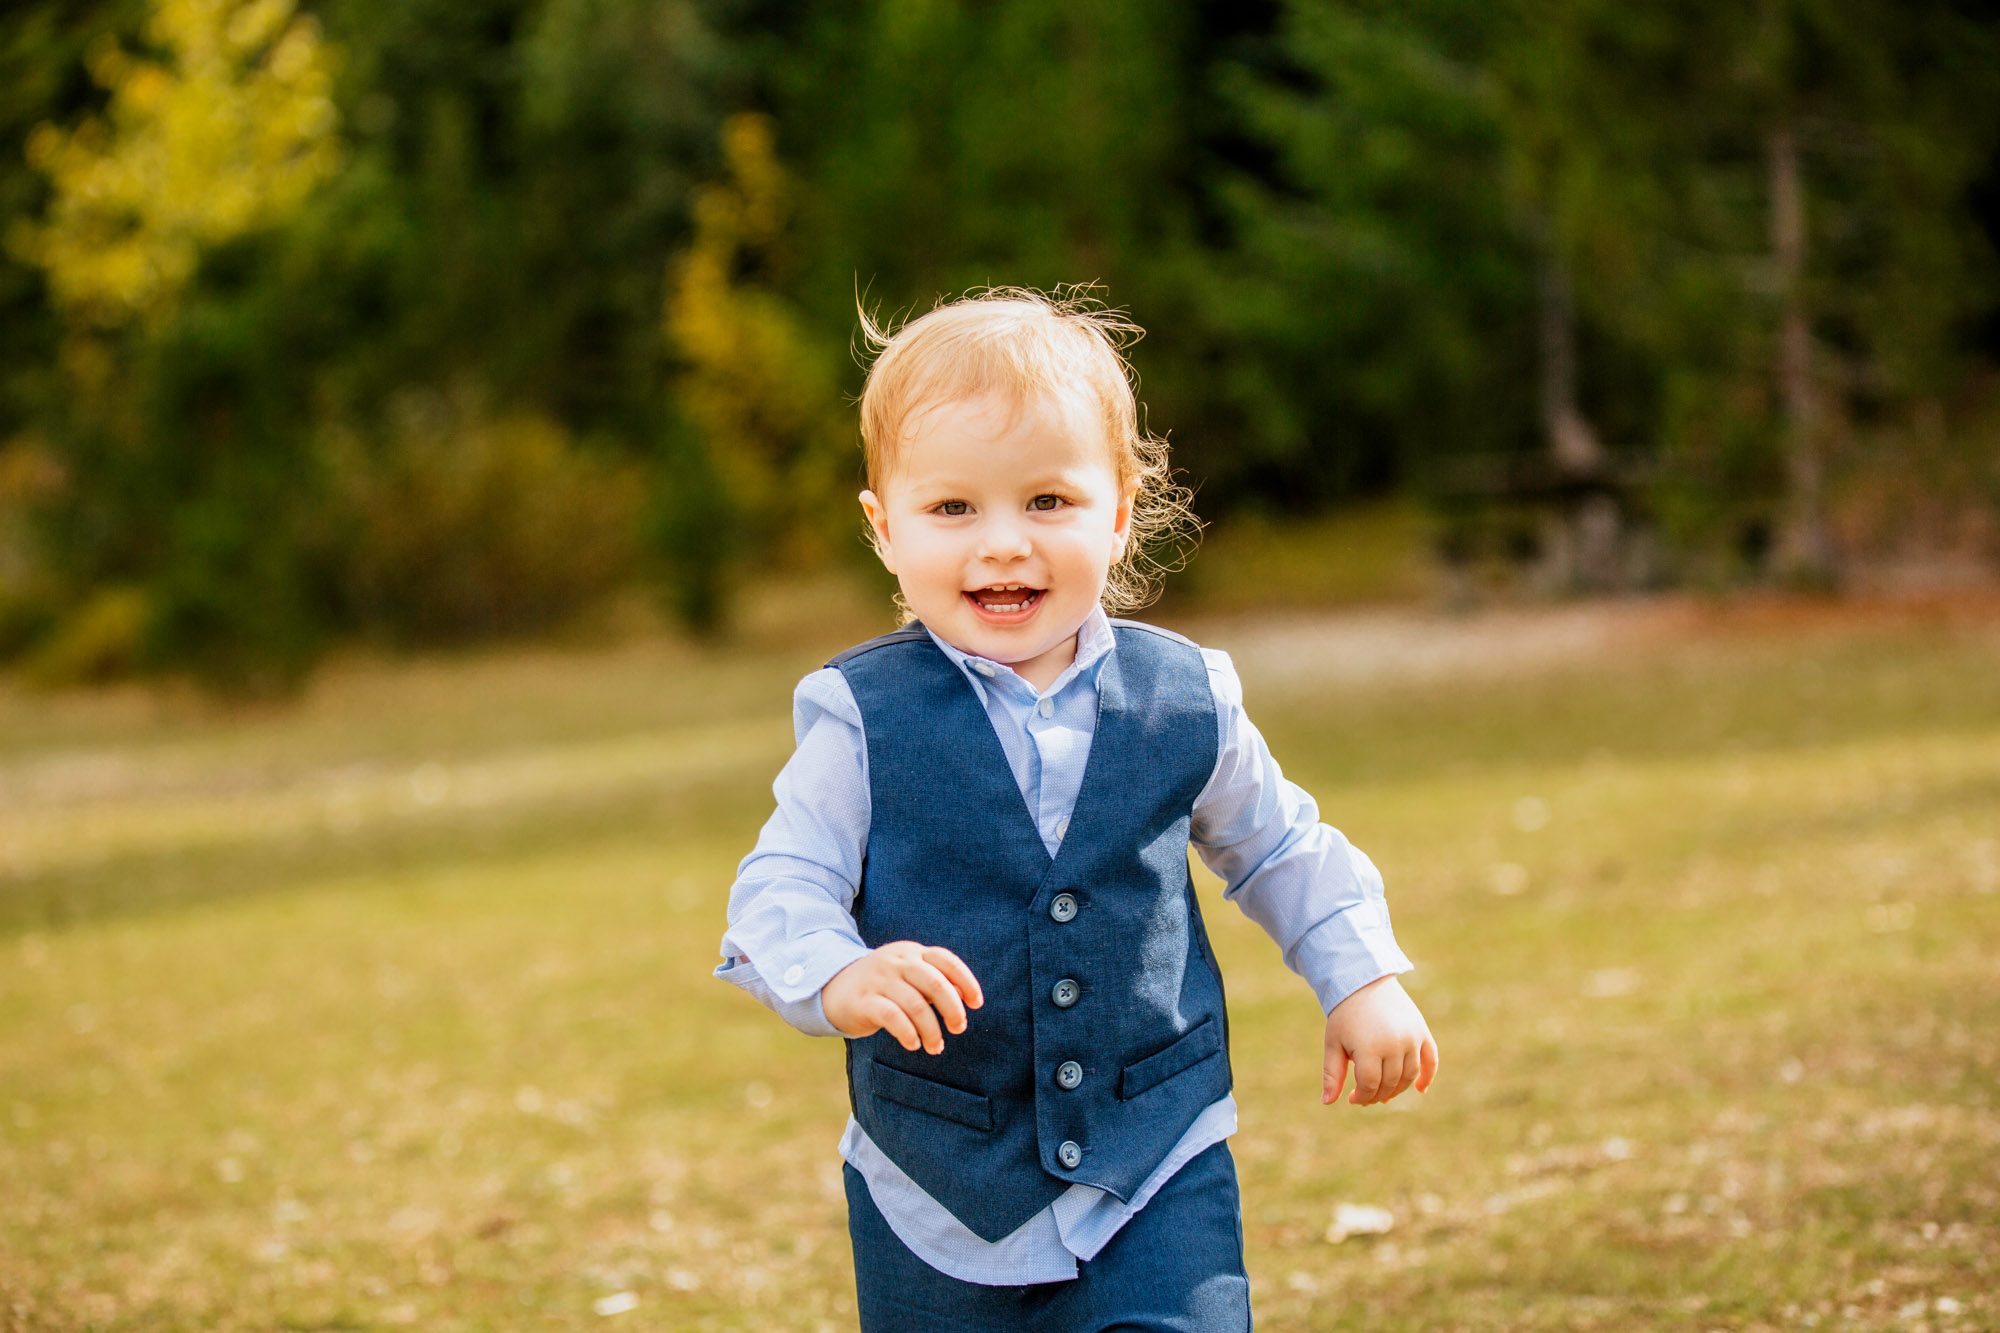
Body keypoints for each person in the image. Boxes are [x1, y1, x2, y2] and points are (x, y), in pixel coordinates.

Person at [716, 288, 1439, 1331]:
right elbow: (781, 883)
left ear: (1117, 510)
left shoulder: (1187, 695)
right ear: (883, 529)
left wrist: (1358, 975)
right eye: (952, 508)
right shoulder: (859, 717)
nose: (1003, 543)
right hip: (935, 1188)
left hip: (1152, 1162)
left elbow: (1278, 843)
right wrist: (837, 970)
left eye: (1047, 501)